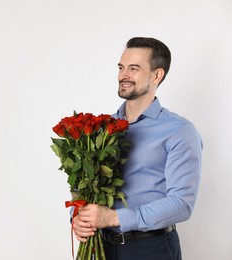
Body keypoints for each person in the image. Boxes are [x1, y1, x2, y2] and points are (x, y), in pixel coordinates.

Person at [72, 37, 202, 260]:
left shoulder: (179, 130)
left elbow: (181, 204)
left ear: (156, 75)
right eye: (122, 67)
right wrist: (78, 217)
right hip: (101, 247)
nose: (124, 75)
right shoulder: (99, 128)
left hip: (150, 248)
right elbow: (83, 183)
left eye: (134, 69)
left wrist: (114, 218)